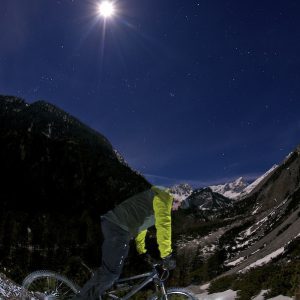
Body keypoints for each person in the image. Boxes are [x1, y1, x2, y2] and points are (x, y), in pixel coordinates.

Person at [72, 185, 177, 300]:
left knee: (111, 273)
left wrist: (142, 251)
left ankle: (94, 294)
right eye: (180, 204)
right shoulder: (164, 199)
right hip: (118, 229)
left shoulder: (158, 197)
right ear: (176, 197)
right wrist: (166, 255)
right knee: (110, 274)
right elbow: (164, 227)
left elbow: (141, 227)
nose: (177, 208)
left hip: (117, 227)